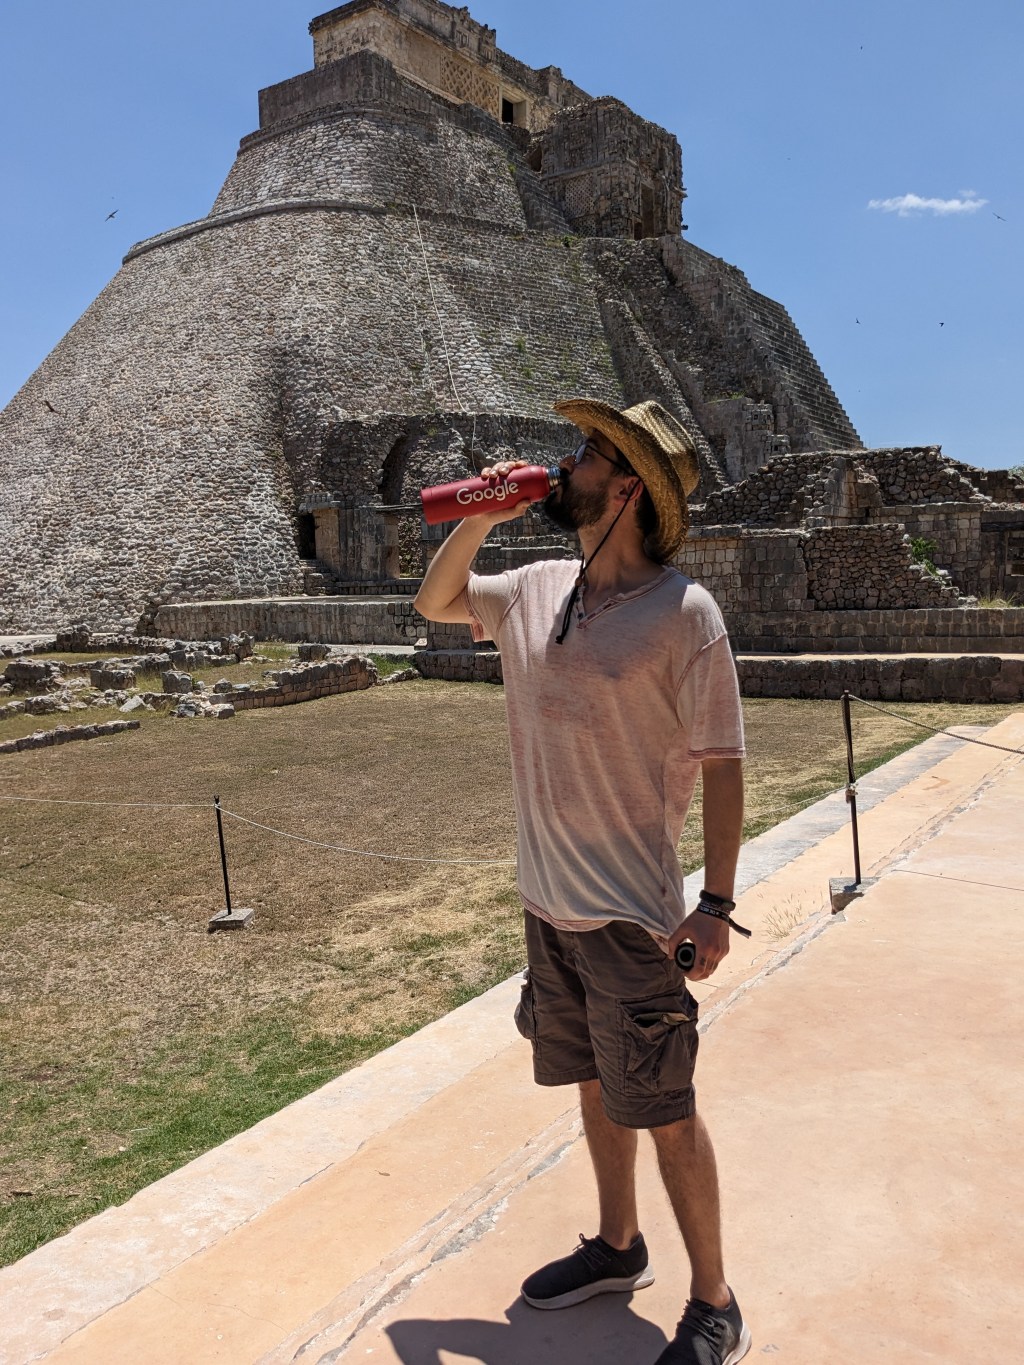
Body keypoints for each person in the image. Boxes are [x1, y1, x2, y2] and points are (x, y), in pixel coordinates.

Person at [414, 398, 751, 1365]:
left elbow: (725, 762)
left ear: (629, 488)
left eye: (590, 454)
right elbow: (437, 603)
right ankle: (616, 1245)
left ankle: (716, 1301)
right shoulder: (535, 585)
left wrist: (717, 903)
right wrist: (482, 510)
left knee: (667, 1109)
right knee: (597, 1082)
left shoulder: (684, 614)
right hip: (547, 906)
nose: (567, 464)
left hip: (631, 918)